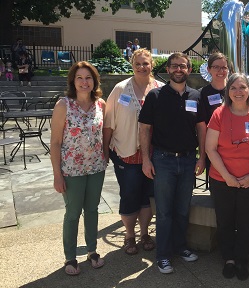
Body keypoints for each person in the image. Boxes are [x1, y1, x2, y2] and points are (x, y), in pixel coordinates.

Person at [139, 52, 205, 274]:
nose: (179, 70)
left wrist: (202, 157)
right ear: (167, 69)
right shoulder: (155, 96)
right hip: (163, 160)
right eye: (174, 66)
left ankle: (180, 248)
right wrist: (146, 159)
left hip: (187, 160)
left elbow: (201, 129)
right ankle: (163, 255)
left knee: (182, 209)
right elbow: (145, 128)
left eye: (183, 66)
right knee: (165, 212)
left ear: (188, 69)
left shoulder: (196, 96)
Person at [205, 73, 249, 281]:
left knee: (248, 221)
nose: (238, 92)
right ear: (227, 91)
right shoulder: (219, 114)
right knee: (226, 220)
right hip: (222, 179)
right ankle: (228, 258)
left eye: (242, 87)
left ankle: (242, 258)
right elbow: (210, 149)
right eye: (234, 88)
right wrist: (227, 176)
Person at [103, 48, 164, 255]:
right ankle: (130, 236)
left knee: (147, 196)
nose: (142, 67)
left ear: (152, 65)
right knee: (129, 194)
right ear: (132, 65)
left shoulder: (161, 89)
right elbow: (108, 123)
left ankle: (145, 233)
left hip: (153, 154)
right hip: (125, 152)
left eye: (145, 63)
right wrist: (105, 151)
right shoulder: (121, 89)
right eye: (137, 64)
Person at [50, 61, 106, 276]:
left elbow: (105, 133)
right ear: (73, 81)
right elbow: (55, 142)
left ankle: (92, 251)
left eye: (88, 77)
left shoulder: (100, 104)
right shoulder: (63, 105)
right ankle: (70, 257)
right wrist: (57, 175)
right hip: (71, 169)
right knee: (73, 213)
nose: (84, 82)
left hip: (95, 167)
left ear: (95, 81)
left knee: (92, 210)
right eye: (80, 78)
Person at [199, 52, 230, 183]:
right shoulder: (202, 93)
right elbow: (201, 125)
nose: (220, 71)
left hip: (233, 145)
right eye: (216, 67)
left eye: (224, 67)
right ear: (209, 69)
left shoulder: (235, 90)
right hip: (213, 147)